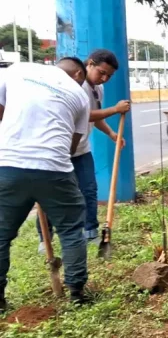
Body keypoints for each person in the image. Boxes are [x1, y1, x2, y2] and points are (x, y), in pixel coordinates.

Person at [0, 58, 93, 313]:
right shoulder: (79, 94)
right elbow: (72, 147)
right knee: (72, 230)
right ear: (77, 74)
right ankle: (76, 293)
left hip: (7, 164)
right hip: (54, 168)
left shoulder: (16, 70)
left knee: (1, 235)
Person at [36, 49, 130, 252]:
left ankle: (91, 232)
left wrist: (111, 134)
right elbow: (84, 115)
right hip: (58, 150)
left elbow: (95, 118)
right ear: (89, 64)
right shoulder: (74, 86)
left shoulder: (97, 89)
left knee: (89, 190)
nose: (104, 78)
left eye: (109, 76)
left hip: (81, 149)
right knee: (49, 192)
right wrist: (115, 109)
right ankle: (45, 236)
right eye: (102, 72)